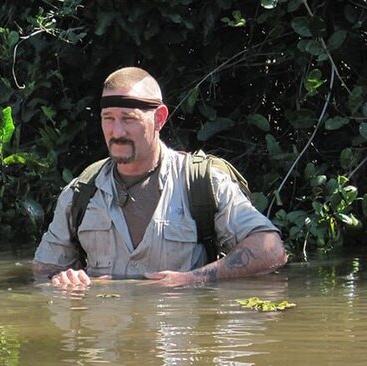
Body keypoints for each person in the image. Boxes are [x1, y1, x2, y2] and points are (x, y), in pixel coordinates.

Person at [33, 67, 287, 288]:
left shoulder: (202, 183)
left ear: (160, 118)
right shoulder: (80, 193)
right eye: (108, 118)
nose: (116, 131)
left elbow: (271, 250)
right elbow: (44, 271)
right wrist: (63, 281)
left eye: (128, 119)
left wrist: (193, 279)